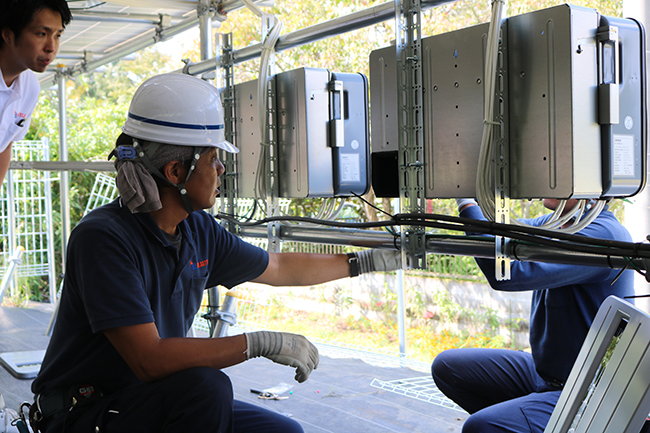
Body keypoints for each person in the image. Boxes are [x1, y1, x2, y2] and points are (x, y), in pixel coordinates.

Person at [30, 73, 400, 433]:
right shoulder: (104, 238)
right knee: (207, 389)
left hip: (150, 399)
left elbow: (277, 266)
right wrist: (258, 343)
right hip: (85, 413)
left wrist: (365, 262)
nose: (222, 170)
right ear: (176, 170)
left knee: (282, 430)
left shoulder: (197, 229)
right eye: (213, 160)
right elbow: (149, 359)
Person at [431, 198, 634, 433]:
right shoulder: (557, 224)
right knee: (447, 368)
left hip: (587, 390)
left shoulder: (604, 235)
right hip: (546, 373)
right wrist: (471, 199)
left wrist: (465, 201)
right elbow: (497, 232)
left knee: (481, 427)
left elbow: (509, 274)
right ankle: (526, 420)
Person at [0, 0, 72, 185]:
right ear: (8, 34)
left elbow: (4, 143)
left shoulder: (30, 87)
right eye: (41, 33)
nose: (51, 47)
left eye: (57, 35)